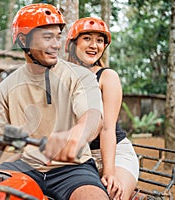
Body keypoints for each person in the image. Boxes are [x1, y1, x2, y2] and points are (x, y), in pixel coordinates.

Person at [0, 4, 109, 200]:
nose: (56, 45)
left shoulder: (80, 76)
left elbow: (92, 117)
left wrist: (76, 135)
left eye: (58, 37)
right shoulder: (7, 86)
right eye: (47, 37)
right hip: (25, 166)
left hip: (73, 169)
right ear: (24, 40)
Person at [65, 17, 139, 200]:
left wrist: (110, 171)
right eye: (87, 38)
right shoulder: (62, 77)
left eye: (99, 41)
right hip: (80, 157)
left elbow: (107, 129)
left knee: (113, 194)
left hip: (114, 154)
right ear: (73, 43)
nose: (94, 45)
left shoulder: (106, 77)